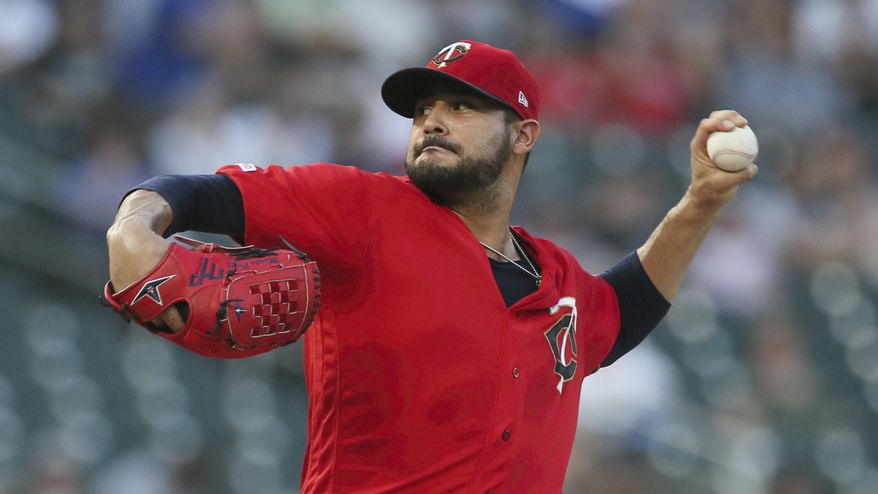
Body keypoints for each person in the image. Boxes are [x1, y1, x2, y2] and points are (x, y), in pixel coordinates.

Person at [106, 40, 757, 493]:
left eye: (462, 107)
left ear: (524, 134)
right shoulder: (363, 209)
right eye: (423, 110)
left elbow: (623, 312)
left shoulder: (555, 277)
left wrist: (701, 202)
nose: (433, 121)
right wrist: (138, 220)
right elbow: (210, 192)